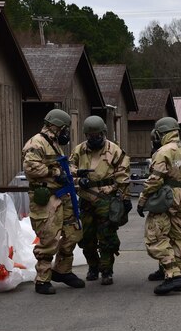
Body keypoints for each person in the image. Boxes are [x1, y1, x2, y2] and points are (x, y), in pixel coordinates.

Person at [22, 108, 85, 295]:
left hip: (62, 196)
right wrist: (56, 173)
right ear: (55, 126)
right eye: (64, 129)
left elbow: (60, 165)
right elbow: (31, 168)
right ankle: (42, 280)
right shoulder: (37, 143)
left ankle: (62, 271)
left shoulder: (54, 143)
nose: (66, 133)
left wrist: (76, 173)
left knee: (72, 232)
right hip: (46, 198)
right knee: (49, 237)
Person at [70, 116, 132, 286]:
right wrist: (78, 178)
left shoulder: (114, 150)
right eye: (90, 135)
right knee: (86, 236)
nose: (94, 138)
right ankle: (92, 266)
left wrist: (125, 197)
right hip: (86, 197)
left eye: (97, 135)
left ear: (103, 133)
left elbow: (123, 175)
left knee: (107, 236)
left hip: (107, 197)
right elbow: (69, 168)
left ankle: (106, 270)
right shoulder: (79, 150)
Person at [137, 117, 181, 295]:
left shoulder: (163, 152)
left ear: (160, 134)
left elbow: (155, 180)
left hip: (165, 198)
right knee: (177, 235)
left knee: (155, 237)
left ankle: (173, 274)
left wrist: (142, 200)